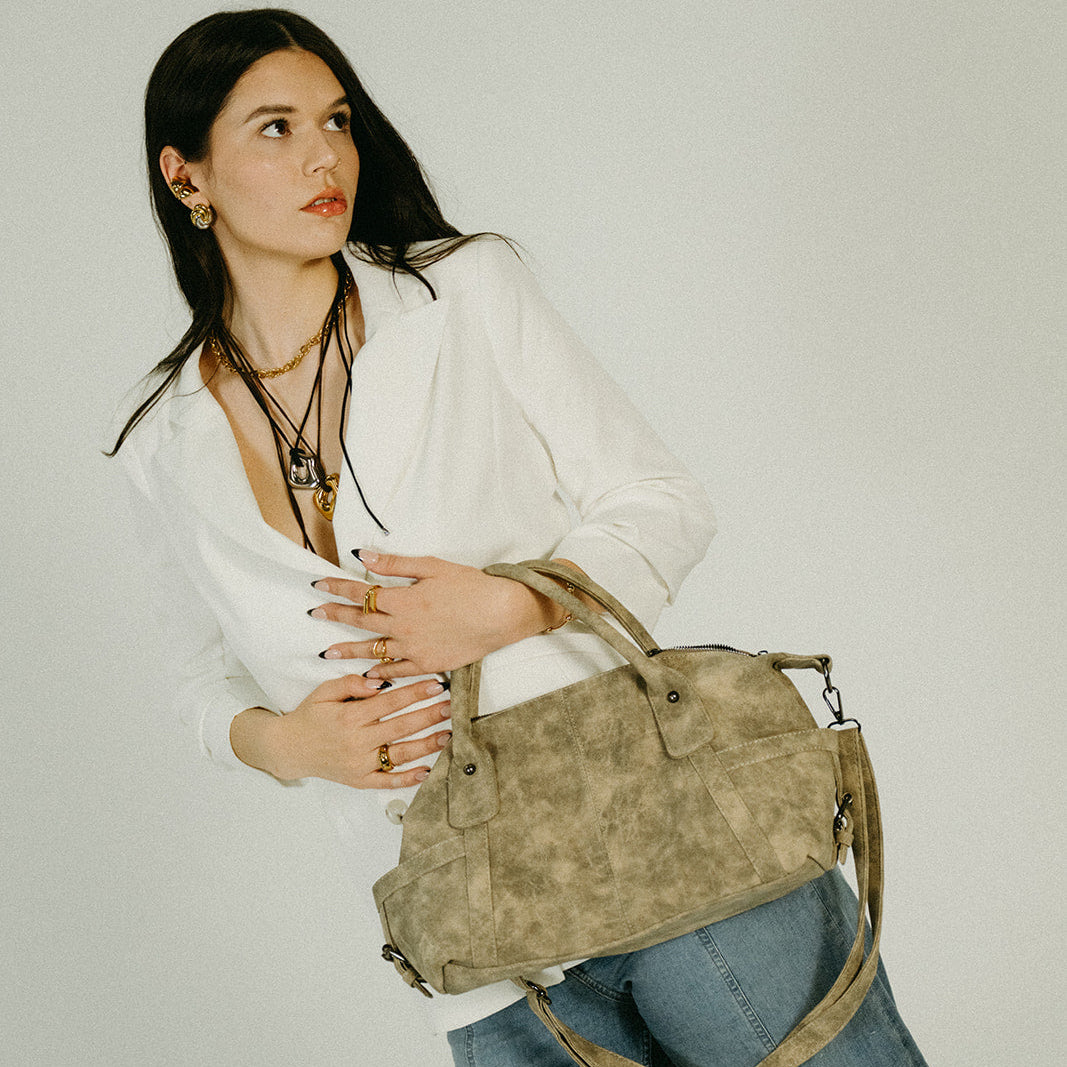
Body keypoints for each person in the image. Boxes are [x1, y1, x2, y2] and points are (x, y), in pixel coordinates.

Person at [111, 10, 927, 1066]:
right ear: (188, 179)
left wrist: (515, 600)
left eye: (337, 120)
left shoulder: (459, 294)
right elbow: (197, 679)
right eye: (274, 128)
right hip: (472, 939)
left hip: (667, 837)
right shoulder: (162, 440)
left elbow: (659, 496)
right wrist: (281, 741)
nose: (324, 155)